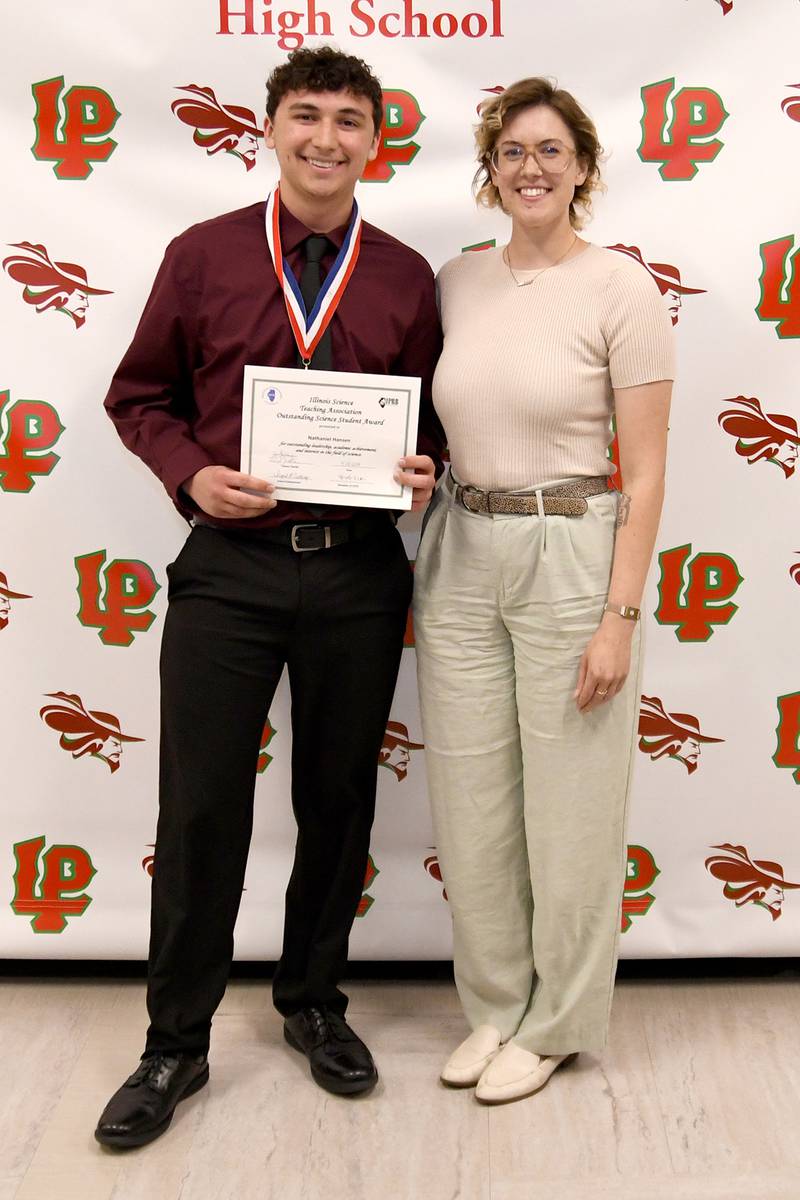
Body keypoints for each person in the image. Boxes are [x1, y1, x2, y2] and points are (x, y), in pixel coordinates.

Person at [95, 45, 443, 1149]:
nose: (325, 138)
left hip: (355, 568)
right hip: (230, 573)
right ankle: (175, 1043)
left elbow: (431, 419)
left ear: (375, 141)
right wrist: (188, 472)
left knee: (337, 799)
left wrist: (425, 463)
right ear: (270, 129)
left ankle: (312, 1003)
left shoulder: (402, 274)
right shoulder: (199, 256)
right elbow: (139, 394)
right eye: (306, 116)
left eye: (349, 120)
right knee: (201, 806)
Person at [413, 77, 674, 1104]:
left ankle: (557, 1020)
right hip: (459, 550)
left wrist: (618, 616)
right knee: (472, 800)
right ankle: (491, 1006)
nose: (531, 166)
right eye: (513, 150)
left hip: (571, 552)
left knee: (567, 807)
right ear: (490, 166)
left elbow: (644, 472)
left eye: (550, 150)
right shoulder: (454, 282)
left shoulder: (620, 289)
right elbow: (451, 419)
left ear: (581, 167)